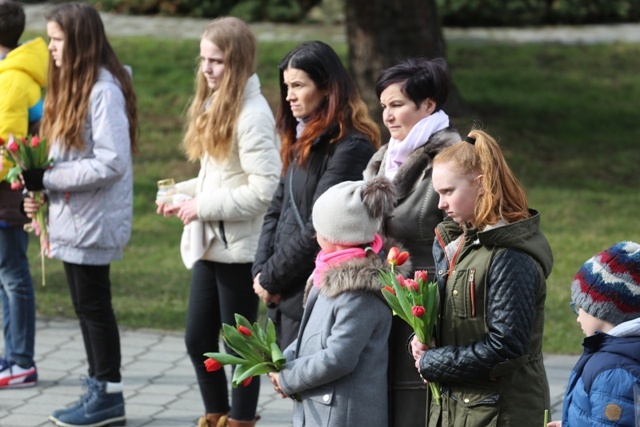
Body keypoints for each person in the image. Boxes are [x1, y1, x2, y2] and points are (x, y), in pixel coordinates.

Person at [156, 17, 281, 427]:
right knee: (197, 340)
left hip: (240, 250)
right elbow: (218, 179)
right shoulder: (217, 103)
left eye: (218, 61)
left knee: (240, 347)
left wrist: (202, 206)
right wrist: (182, 195)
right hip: (213, 243)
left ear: (239, 62)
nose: (207, 69)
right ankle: (216, 415)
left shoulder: (252, 114)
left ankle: (241, 420)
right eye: (204, 59)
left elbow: (266, 190)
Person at [22, 3, 137, 426]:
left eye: (56, 39)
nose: (50, 47)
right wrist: (37, 187)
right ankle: (97, 386)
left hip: (94, 220)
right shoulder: (74, 85)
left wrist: (49, 178)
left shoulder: (103, 90)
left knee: (93, 306)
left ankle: (109, 393)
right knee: (85, 306)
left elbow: (111, 162)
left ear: (80, 42)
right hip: (74, 217)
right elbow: (63, 155)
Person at [411, 129, 553, 426]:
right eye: (438, 193)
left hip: (500, 413)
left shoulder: (510, 255)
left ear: (482, 184)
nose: (440, 204)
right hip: (461, 409)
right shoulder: (458, 244)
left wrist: (433, 362)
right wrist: (422, 338)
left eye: (448, 191)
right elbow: (457, 322)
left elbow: (507, 348)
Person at [252, 40, 380, 348]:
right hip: (284, 287)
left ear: (326, 88)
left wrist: (271, 278)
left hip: (314, 288)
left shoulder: (350, 147)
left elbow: (321, 226)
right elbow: (277, 208)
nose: (289, 96)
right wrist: (261, 272)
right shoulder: (301, 137)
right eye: (286, 86)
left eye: (298, 85)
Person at [362, 57, 460, 426]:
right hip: (383, 295)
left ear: (429, 105)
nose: (387, 115)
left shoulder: (450, 160)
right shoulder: (382, 160)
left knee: (415, 404)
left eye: (397, 105)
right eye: (384, 105)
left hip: (427, 300)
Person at [268, 177, 401, 427]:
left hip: (343, 415)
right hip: (322, 408)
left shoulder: (359, 292)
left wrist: (290, 377)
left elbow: (339, 357)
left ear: (335, 236)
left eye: (318, 228)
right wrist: (283, 363)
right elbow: (312, 334)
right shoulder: (330, 273)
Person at [0, 0, 47, 389]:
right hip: (6, 188)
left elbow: (9, 144)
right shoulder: (10, 72)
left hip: (7, 190)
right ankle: (12, 356)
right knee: (6, 273)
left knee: (12, 274)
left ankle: (21, 361)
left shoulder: (12, 78)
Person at [547, 241, 640, 427]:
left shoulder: (615, 372)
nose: (578, 318)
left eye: (579, 307)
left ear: (601, 309)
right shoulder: (613, 355)